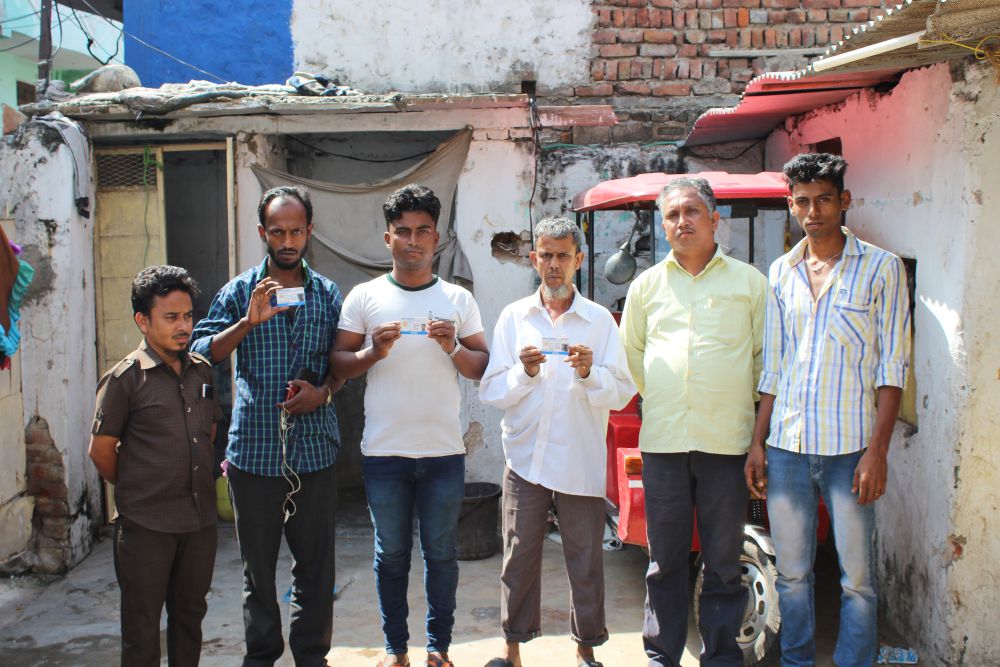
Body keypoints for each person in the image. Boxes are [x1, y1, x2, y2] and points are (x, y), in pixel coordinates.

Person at [745, 154, 910, 667]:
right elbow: (773, 365)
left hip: (850, 451)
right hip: (788, 449)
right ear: (791, 206)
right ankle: (796, 662)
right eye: (803, 202)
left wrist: (877, 452)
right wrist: (757, 442)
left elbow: (892, 367)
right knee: (792, 576)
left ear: (844, 202)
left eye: (824, 200)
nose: (813, 211)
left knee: (856, 580)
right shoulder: (781, 271)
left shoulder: (882, 269)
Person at [331, 183, 490, 667]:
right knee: (391, 555)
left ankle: (439, 646)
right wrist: (371, 352)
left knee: (442, 554)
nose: (413, 241)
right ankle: (396, 648)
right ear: (387, 238)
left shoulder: (457, 299)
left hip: (443, 453)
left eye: (423, 231)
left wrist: (452, 347)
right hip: (384, 453)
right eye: (403, 232)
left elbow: (481, 365)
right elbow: (339, 362)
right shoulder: (365, 296)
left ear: (437, 238)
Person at [190, 186, 343, 667]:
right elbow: (199, 352)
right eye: (277, 231)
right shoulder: (239, 292)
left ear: (309, 231)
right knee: (258, 572)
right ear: (263, 233)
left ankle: (311, 656)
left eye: (296, 230)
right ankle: (260, 657)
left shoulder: (328, 293)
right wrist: (247, 323)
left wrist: (325, 392)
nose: (287, 240)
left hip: (314, 451)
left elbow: (341, 359)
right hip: (254, 456)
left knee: (316, 571)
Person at [620, 177, 768, 667]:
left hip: (726, 443)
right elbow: (634, 358)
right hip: (664, 441)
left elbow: (764, 360)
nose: (682, 222)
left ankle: (722, 657)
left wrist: (753, 434)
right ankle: (662, 654)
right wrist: (667, 395)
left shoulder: (749, 283)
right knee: (664, 561)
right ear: (663, 226)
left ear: (713, 218)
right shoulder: (646, 286)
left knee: (724, 561)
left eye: (691, 212)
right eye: (672, 215)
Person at [478, 216, 635, 667]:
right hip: (525, 457)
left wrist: (590, 372)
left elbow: (623, 389)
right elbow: (491, 390)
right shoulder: (514, 318)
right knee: (518, 555)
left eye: (563, 255)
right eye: (545, 254)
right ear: (533, 259)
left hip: (578, 457)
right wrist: (524, 372)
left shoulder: (599, 322)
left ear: (579, 260)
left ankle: (586, 650)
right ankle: (511, 650)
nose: (553, 264)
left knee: (584, 557)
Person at [89, 265, 223, 666]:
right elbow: (101, 451)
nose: (183, 326)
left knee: (189, 619)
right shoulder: (125, 380)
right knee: (142, 628)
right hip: (145, 526)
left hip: (198, 523)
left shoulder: (202, 369)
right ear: (142, 321)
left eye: (187, 316)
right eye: (171, 318)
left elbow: (209, 431)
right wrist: (138, 487)